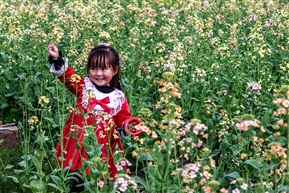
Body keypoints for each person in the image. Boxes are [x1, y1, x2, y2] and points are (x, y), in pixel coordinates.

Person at [48, 42, 141, 192]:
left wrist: (128, 125)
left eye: (104, 69)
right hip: (81, 142)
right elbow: (67, 76)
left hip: (103, 146)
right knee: (77, 178)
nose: (98, 73)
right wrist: (57, 58)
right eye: (93, 68)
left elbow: (123, 117)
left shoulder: (118, 97)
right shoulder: (84, 86)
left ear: (115, 70)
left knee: (99, 177)